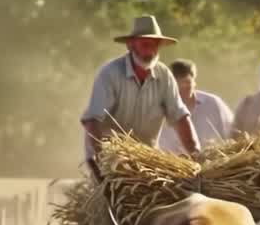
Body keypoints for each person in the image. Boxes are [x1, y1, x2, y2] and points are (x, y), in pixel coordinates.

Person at [80, 15, 197, 181]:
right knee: (111, 203)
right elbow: (92, 121)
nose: (150, 50)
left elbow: (180, 117)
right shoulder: (110, 73)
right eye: (144, 44)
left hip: (147, 160)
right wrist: (104, 162)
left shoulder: (164, 76)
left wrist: (196, 155)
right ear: (130, 45)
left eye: (154, 44)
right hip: (110, 160)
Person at [156, 59, 235, 154]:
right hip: (170, 166)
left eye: (186, 83)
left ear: (194, 82)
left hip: (214, 164)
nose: (182, 88)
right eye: (177, 84)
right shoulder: (158, 109)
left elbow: (233, 133)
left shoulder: (214, 104)